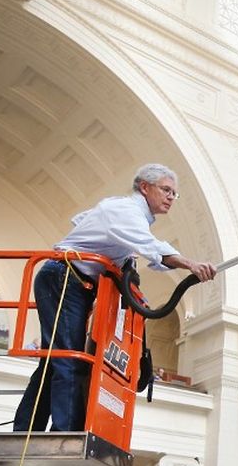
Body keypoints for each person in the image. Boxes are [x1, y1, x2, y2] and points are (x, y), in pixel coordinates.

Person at [13, 164, 217, 433]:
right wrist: (190, 264)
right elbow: (151, 247)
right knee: (69, 357)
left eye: (174, 194)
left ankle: (28, 428)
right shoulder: (126, 210)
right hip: (64, 276)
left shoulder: (127, 213)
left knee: (57, 356)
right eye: (166, 190)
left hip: (74, 281)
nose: (171, 197)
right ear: (144, 186)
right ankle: (66, 431)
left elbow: (83, 221)